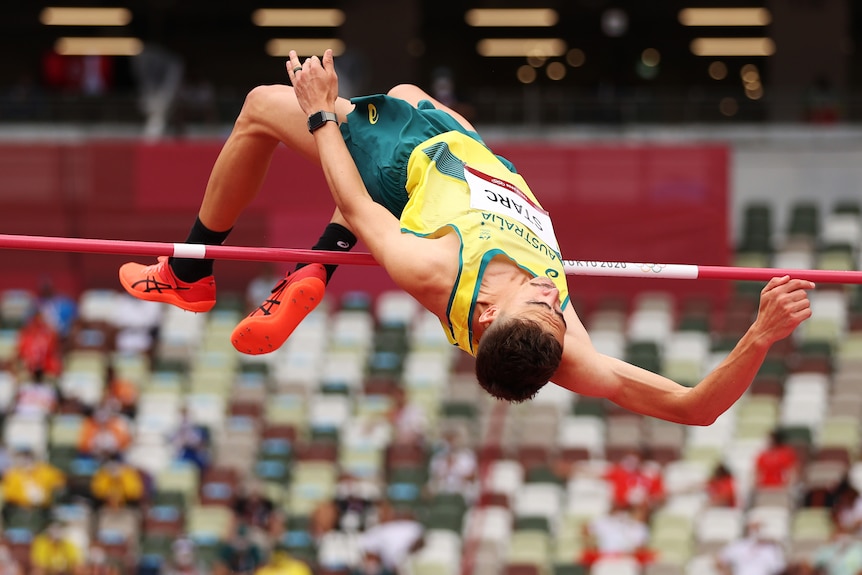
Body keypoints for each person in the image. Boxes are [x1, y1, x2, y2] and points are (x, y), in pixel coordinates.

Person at [118, 49, 815, 419]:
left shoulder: (436, 270)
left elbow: (358, 205)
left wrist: (320, 113)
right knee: (418, 93)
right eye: (555, 302)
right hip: (478, 159)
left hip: (408, 166)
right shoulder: (558, 344)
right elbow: (694, 407)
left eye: (535, 300)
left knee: (258, 111)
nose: (552, 290)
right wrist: (759, 334)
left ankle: (188, 273)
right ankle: (309, 274)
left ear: (485, 314)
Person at [715, 518, 786, 575]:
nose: (755, 531)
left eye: (757, 527)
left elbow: (779, 569)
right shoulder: (739, 545)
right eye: (752, 527)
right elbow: (720, 559)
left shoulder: (772, 548)